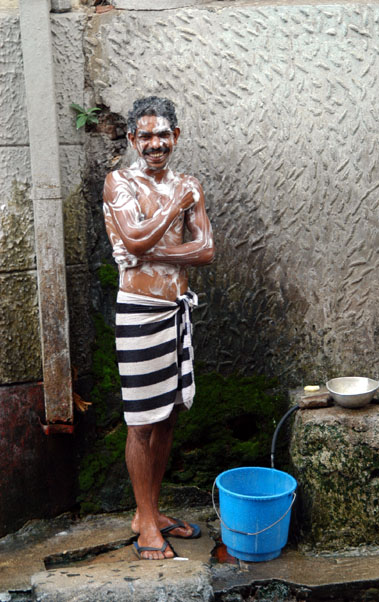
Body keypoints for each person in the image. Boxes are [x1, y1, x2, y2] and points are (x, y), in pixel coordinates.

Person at [103, 96, 215, 560]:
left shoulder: (189, 183)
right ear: (132, 139)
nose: (155, 143)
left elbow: (206, 249)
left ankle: (150, 511)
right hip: (139, 311)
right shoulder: (119, 182)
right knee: (141, 422)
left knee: (167, 414)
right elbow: (133, 239)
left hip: (176, 311)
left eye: (162, 134)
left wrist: (147, 249)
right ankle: (145, 520)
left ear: (176, 136)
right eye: (145, 135)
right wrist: (172, 210)